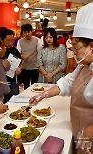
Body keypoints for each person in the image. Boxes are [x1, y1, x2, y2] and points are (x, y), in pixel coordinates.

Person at [29, 2, 93, 154]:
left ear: (91, 46)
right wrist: (43, 94)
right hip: (80, 130)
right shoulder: (85, 66)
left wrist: (87, 136)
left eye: (76, 48)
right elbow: (66, 83)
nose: (75, 53)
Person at [0, 27, 22, 102]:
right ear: (1, 39)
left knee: (13, 102)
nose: (11, 43)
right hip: (0, 83)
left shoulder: (14, 50)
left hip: (12, 81)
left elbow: (20, 63)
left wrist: (19, 69)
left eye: (12, 40)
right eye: (8, 40)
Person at [17, 23, 42, 89]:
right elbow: (18, 53)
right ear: (22, 33)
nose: (27, 34)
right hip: (24, 68)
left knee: (35, 85)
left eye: (28, 32)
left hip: (35, 67)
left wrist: (40, 66)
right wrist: (21, 56)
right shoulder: (20, 42)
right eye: (25, 32)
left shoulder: (37, 40)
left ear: (31, 32)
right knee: (26, 85)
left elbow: (40, 53)